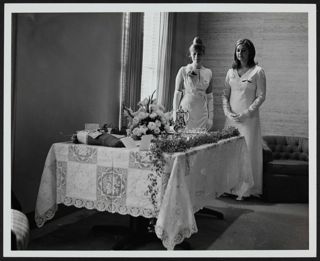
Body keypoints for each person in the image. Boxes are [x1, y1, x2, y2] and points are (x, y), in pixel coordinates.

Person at [222, 38, 266, 196]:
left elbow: (261, 96)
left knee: (247, 152)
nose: (240, 53)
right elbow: (225, 95)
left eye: (244, 50)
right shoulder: (230, 72)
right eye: (238, 50)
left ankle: (246, 190)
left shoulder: (258, 72)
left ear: (251, 52)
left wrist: (246, 113)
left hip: (249, 120)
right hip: (231, 120)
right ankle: (229, 188)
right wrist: (228, 112)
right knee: (230, 152)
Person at [172, 36, 214, 131]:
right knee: (183, 137)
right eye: (194, 54)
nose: (196, 57)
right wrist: (175, 114)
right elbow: (177, 94)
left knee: (200, 140)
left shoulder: (208, 72)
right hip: (185, 109)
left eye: (199, 54)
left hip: (202, 112)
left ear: (203, 54)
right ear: (190, 54)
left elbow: (210, 97)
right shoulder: (183, 70)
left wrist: (210, 117)